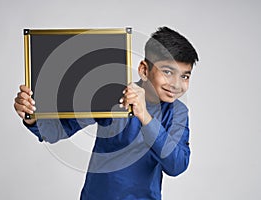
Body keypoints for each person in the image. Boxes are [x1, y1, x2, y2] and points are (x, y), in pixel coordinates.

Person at [14, 26, 199, 200]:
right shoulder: (112, 95)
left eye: (185, 76)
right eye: (167, 72)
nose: (176, 84)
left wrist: (145, 117)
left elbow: (177, 165)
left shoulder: (178, 112)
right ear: (144, 70)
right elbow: (57, 131)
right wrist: (32, 116)